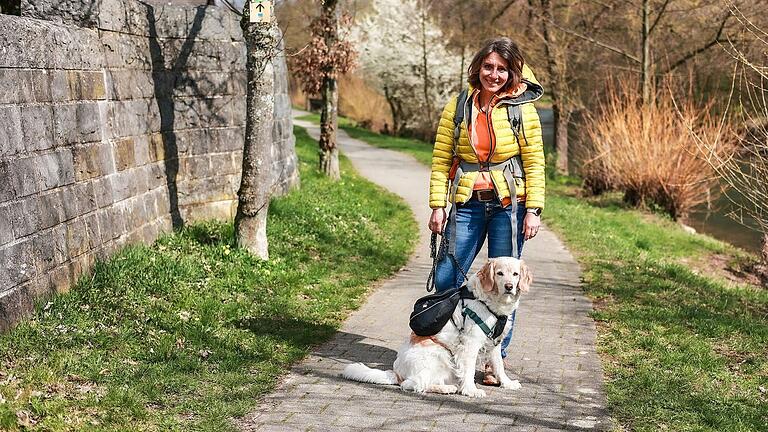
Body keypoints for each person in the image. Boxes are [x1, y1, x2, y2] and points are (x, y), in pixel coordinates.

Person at [427, 37, 545, 383]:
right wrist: (437, 205)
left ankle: (495, 363)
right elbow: (441, 159)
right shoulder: (459, 105)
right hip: (466, 205)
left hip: (509, 207)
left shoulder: (522, 109)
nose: (493, 74)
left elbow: (535, 162)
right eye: (488, 67)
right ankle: (443, 351)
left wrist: (533, 209)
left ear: (512, 73)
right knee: (448, 278)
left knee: (508, 285)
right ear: (478, 67)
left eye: (502, 69)